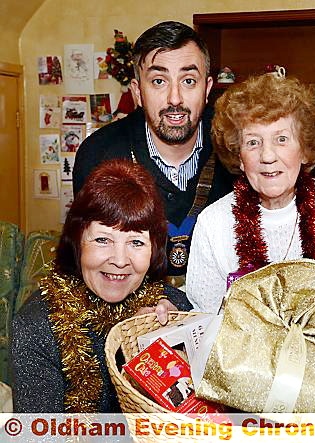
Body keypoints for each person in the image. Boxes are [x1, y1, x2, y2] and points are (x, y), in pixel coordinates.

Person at [11, 159, 193, 413]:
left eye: (137, 243)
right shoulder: (38, 323)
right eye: (102, 239)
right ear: (77, 242)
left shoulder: (173, 310)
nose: (119, 261)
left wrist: (172, 348)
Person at [186, 74, 315, 313]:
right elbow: (206, 320)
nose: (268, 156)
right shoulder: (213, 223)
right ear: (239, 157)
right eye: (253, 142)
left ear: (304, 150)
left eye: (282, 139)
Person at [73, 21, 234, 287]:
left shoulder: (236, 147)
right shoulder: (98, 156)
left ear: (207, 89)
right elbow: (90, 257)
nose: (175, 98)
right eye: (159, 81)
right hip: (135, 314)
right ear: (138, 92)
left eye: (189, 81)